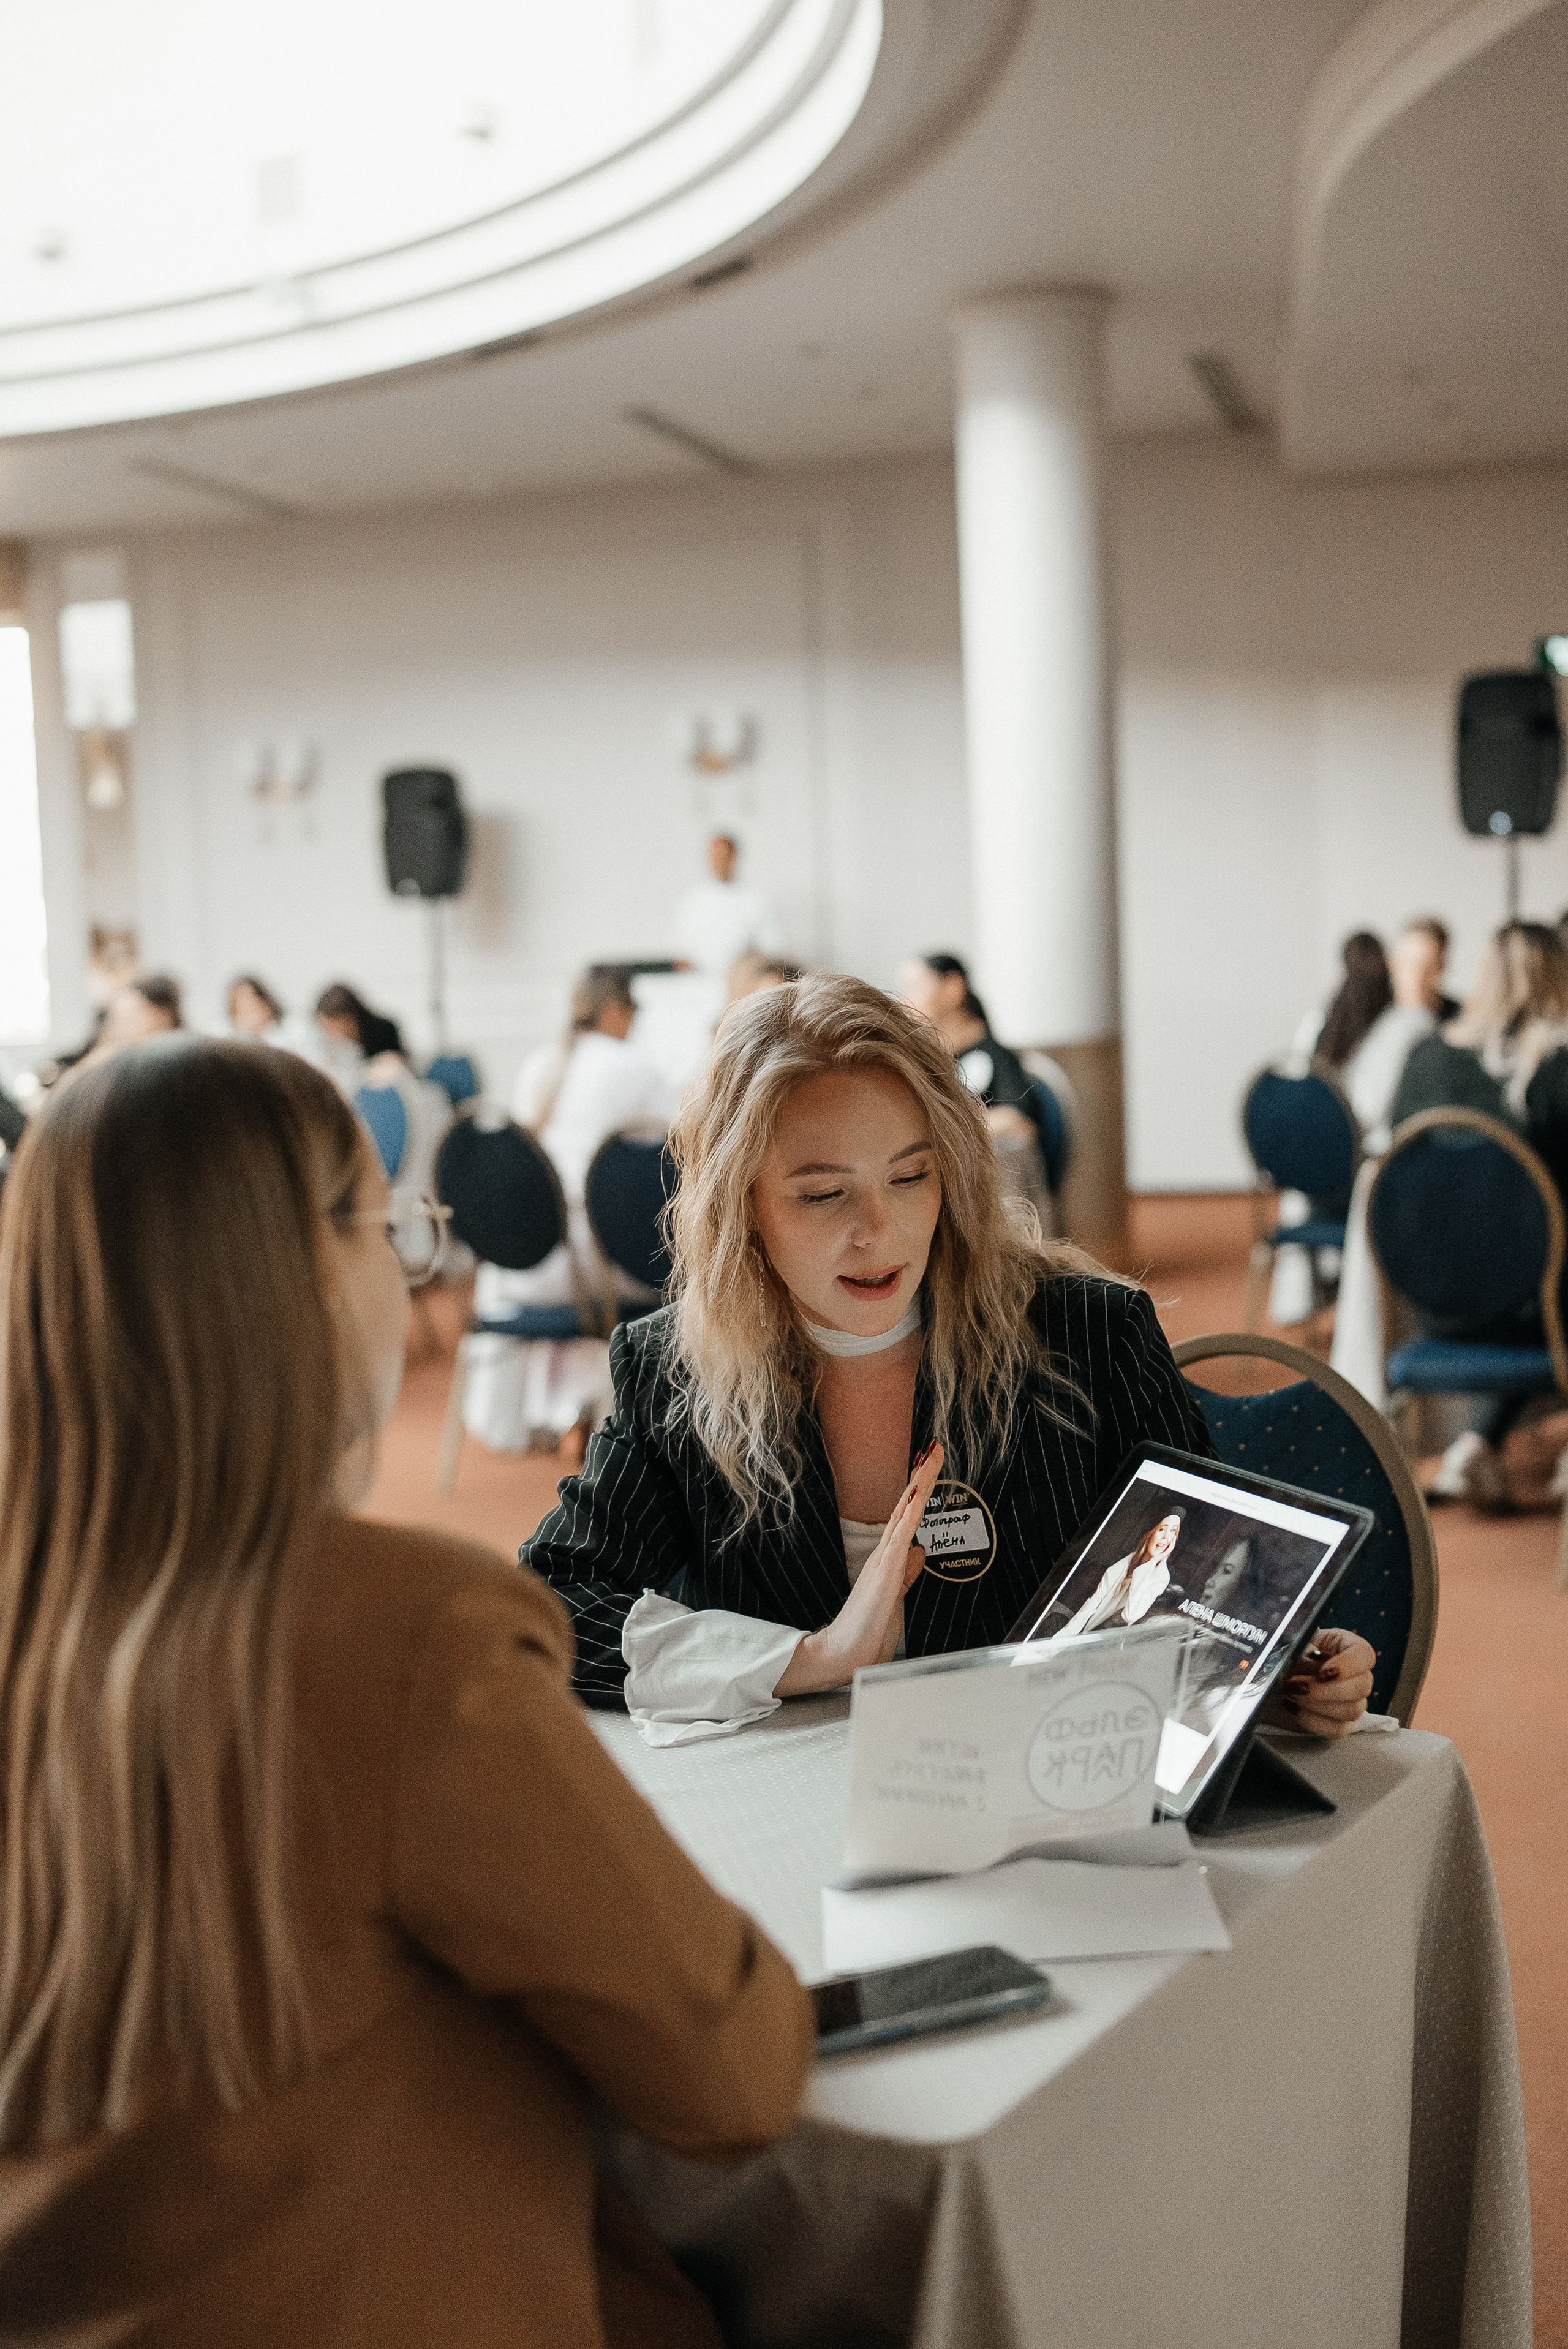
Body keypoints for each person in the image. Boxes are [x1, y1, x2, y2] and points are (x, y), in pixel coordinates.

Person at [0, 1036, 810, 2347]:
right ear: (308, 1277)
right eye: (391, 1225)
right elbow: (737, 2070)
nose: (408, 1262)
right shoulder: (401, 1636)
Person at [522, 975, 1373, 1744]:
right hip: (793, 1827)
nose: (879, 1230)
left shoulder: (1086, 1335)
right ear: (740, 1205)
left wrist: (1284, 1662)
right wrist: (810, 1656)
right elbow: (549, 1607)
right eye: (823, 1194)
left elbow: (1216, 1589)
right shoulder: (674, 1369)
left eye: (909, 1176)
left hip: (1044, 1814)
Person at [466, 968, 681, 1458]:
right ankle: (614, 1419)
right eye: (631, 1013)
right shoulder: (632, 1066)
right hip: (607, 1273)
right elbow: (683, 1149)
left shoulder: (539, 1063)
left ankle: (560, 1412)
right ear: (612, 1012)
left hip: (522, 1266)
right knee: (668, 1257)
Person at [1390, 921, 1568, 1505]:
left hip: (1434, 1304)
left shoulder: (1426, 1058)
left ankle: (1474, 1442)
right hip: (1536, 1309)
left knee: (1511, 1255)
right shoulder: (1559, 1071)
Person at [897, 951, 1049, 1154]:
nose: (905, 1001)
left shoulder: (996, 1057)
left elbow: (1019, 1122)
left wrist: (941, 1126)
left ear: (953, 987)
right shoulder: (922, 1062)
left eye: (915, 987)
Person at [1057, 1511, 1185, 1640]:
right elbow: (1094, 1602)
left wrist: (1153, 1562)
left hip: (1107, 1643)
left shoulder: (1161, 1576)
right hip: (1087, 1632)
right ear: (1151, 1533)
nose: (1166, 1537)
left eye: (1173, 1532)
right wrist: (1061, 1642)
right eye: (1162, 1529)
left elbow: (1130, 1615)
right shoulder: (1128, 1561)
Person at [673, 833, 782, 976]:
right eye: (715, 856)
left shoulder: (755, 899)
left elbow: (772, 946)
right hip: (699, 981)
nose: (720, 861)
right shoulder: (692, 901)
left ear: (734, 857)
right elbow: (680, 948)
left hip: (742, 982)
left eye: (725, 856)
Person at [314, 980, 407, 1068]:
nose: (330, 1031)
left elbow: (402, 1062)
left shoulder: (384, 1030)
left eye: (334, 1024)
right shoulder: (331, 1043)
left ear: (349, 1017)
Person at [1390, 916, 1460, 1025]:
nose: (1417, 975)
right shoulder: (1373, 1017)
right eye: (1408, 962)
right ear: (1393, 965)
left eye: (1427, 965)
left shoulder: (1461, 1020)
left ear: (1442, 967)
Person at [227, 971, 287, 1040]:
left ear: (266, 1002)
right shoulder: (234, 1042)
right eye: (242, 1001)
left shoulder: (291, 1032)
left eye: (251, 999)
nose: (248, 1006)